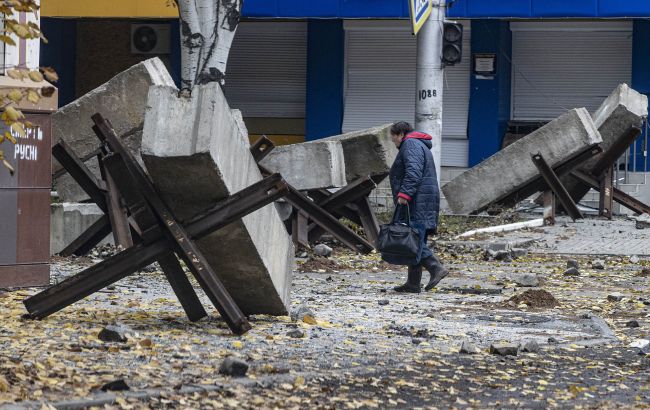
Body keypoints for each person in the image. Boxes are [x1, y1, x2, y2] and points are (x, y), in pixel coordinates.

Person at [388, 121, 449, 293]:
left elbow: (413, 172)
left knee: (412, 240)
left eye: (394, 139)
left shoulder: (410, 144)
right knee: (414, 238)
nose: (394, 143)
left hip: (416, 201)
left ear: (400, 134)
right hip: (422, 199)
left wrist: (404, 195)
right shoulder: (416, 144)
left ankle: (436, 268)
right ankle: (413, 283)